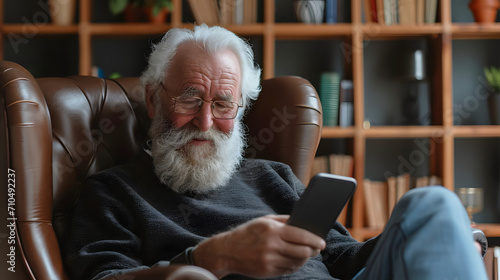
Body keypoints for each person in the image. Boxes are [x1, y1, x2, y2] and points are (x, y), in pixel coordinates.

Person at [66, 24, 488, 280]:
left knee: (432, 205)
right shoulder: (112, 192)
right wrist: (217, 256)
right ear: (155, 100)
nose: (206, 122)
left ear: (240, 109)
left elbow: (342, 257)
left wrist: (434, 238)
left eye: (222, 104)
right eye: (190, 99)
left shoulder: (273, 176)